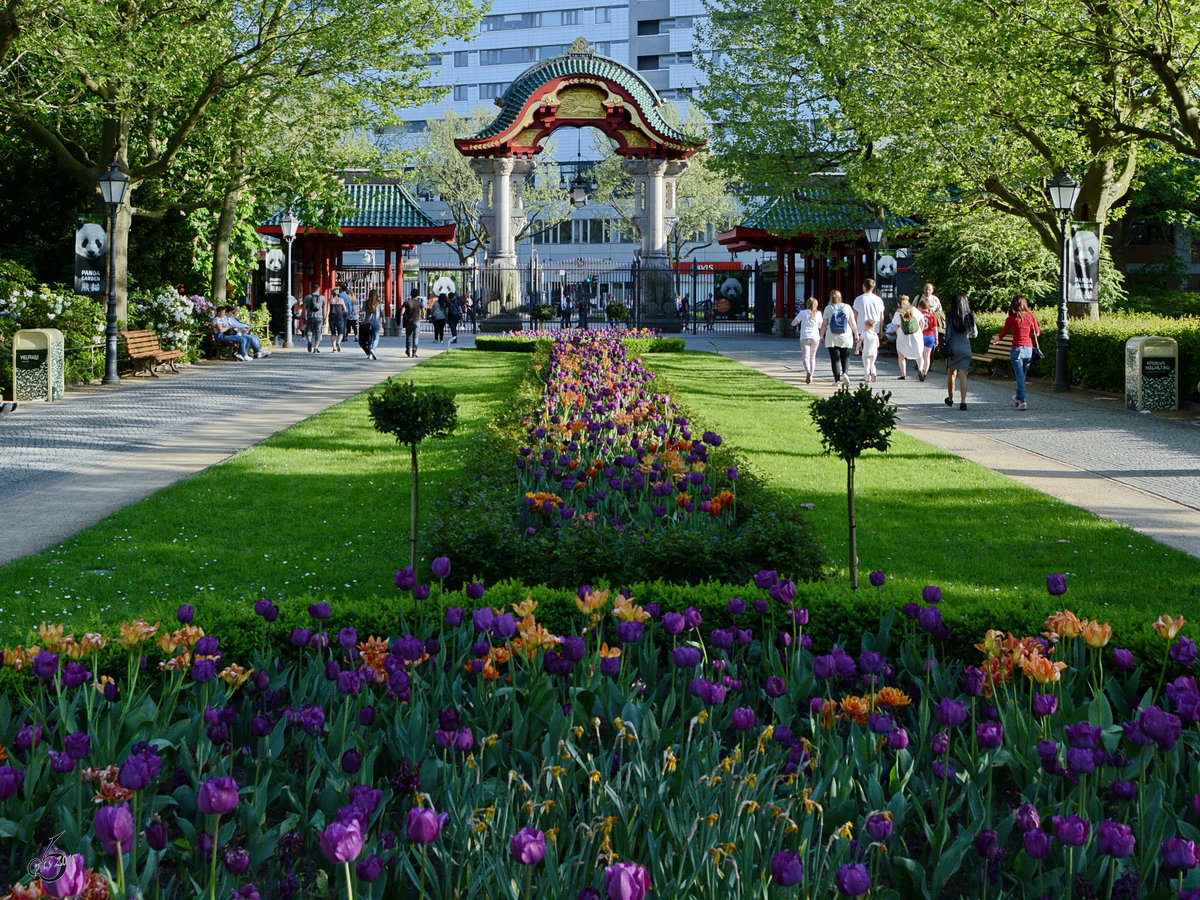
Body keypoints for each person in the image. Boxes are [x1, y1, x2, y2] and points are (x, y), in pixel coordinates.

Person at [997, 295, 1041, 410]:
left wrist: (996, 340)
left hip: (1017, 350)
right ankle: (1017, 397)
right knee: (1022, 376)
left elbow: (1003, 333)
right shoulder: (1031, 316)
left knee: (1020, 377)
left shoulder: (1012, 319)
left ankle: (1022, 401)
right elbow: (1037, 333)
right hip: (1029, 350)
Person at [943, 293, 977, 410]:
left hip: (953, 348)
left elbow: (947, 334)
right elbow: (975, 334)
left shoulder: (951, 316)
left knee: (952, 373)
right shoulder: (969, 316)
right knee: (963, 374)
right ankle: (963, 402)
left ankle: (951, 398)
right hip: (966, 347)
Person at [820, 289, 858, 386]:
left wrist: (821, 336)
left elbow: (824, 324)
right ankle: (845, 373)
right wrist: (856, 333)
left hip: (831, 335)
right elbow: (852, 323)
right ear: (840, 298)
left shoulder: (828, 308)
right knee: (845, 356)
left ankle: (837, 380)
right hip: (845, 335)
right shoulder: (847, 307)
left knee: (834, 358)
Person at [852, 279, 885, 376]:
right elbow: (881, 316)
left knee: (865, 351)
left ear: (865, 287)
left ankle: (867, 373)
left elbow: (855, 315)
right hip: (875, 328)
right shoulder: (878, 300)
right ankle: (872, 368)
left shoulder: (859, 299)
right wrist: (881, 329)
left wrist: (855, 330)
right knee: (873, 350)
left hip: (862, 328)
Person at [789, 296, 823, 384]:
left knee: (805, 357)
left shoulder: (803, 313)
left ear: (807, 304)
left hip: (804, 337)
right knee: (813, 357)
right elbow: (820, 326)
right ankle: (811, 374)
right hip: (815, 337)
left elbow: (793, 323)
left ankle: (807, 371)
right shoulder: (818, 313)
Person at [890, 295, 924, 379]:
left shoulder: (898, 312)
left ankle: (903, 374)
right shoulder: (915, 310)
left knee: (901, 355)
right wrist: (920, 331)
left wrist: (898, 333)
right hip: (916, 333)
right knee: (919, 354)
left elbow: (896, 325)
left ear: (899, 303)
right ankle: (920, 369)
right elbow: (922, 322)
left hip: (903, 333)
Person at [917, 297, 939, 381]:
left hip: (920, 336)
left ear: (920, 306)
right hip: (930, 336)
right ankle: (925, 372)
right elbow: (935, 328)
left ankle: (920, 368)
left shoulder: (918, 315)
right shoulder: (932, 316)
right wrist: (936, 339)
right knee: (927, 356)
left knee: (920, 355)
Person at [360, 289, 385, 360]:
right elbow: (382, 312)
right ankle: (373, 349)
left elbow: (362, 313)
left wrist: (362, 320)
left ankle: (370, 354)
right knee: (376, 338)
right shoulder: (379, 304)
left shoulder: (366, 303)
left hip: (367, 323)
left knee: (370, 338)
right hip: (376, 322)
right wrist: (383, 319)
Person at [401, 288, 423, 358]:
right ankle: (414, 351)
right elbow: (423, 311)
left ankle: (408, 350)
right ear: (417, 295)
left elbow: (402, 312)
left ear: (411, 294)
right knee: (416, 337)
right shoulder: (419, 303)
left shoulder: (407, 302)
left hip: (409, 322)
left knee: (408, 337)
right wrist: (423, 315)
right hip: (416, 321)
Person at [857, 318, 880, 384]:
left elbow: (859, 342)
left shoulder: (864, 334)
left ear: (866, 326)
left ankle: (867, 380)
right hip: (874, 352)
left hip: (866, 352)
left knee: (866, 366)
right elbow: (877, 344)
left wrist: (857, 349)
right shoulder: (875, 334)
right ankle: (873, 373)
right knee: (872, 364)